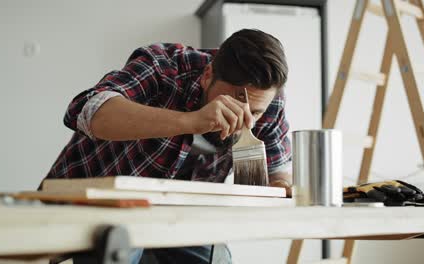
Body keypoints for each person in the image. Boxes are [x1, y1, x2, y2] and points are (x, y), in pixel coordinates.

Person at [41, 28, 292, 264]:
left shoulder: (268, 100)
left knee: (217, 258)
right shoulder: (164, 66)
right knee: (119, 246)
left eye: (255, 113)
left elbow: (275, 171)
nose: (242, 121)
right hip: (91, 206)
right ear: (207, 75)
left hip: (176, 218)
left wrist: (280, 185)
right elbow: (86, 110)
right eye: (229, 105)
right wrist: (190, 121)